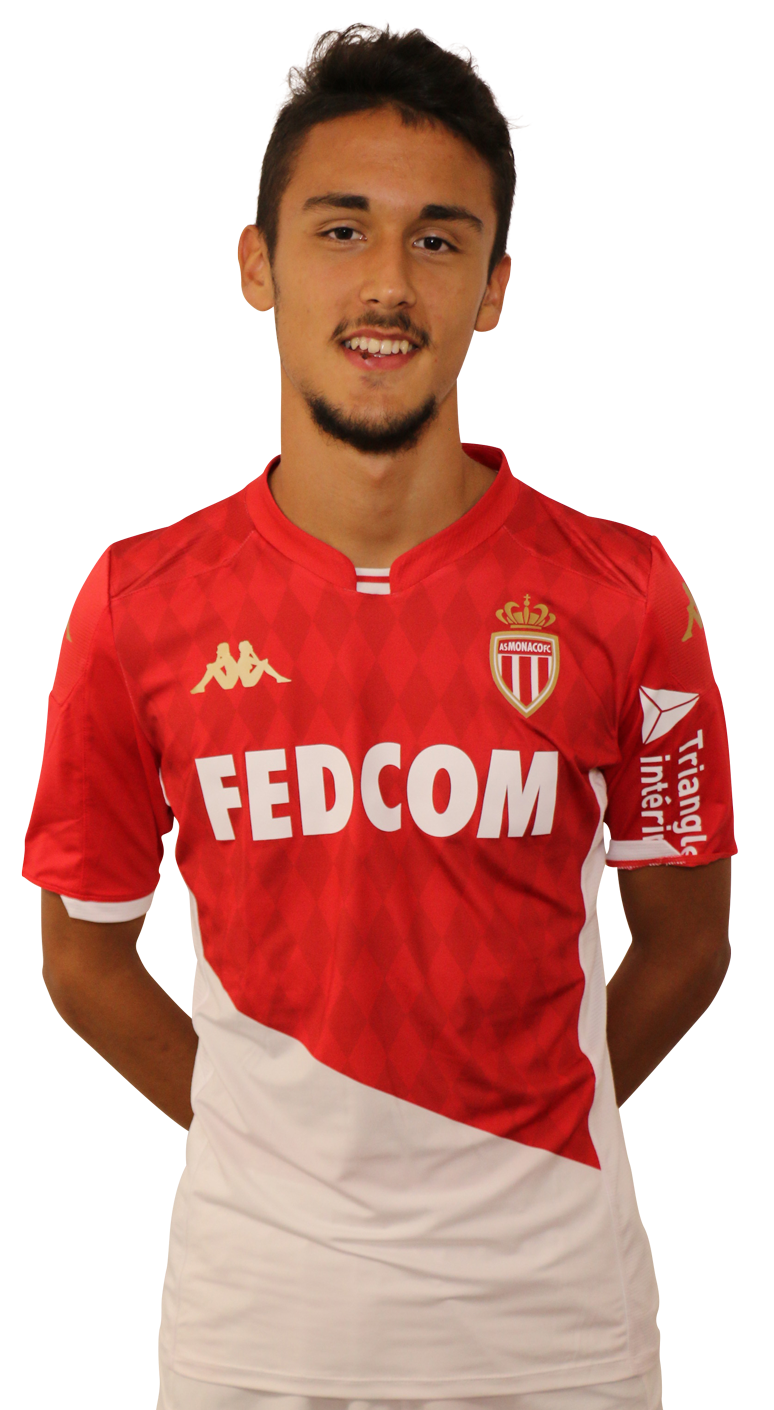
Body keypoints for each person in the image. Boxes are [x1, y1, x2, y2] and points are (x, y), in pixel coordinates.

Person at [23, 23, 735, 1410]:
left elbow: (687, 940)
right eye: (341, 229)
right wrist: (273, 1136)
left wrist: (526, 1131)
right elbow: (81, 955)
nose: (388, 283)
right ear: (258, 265)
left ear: (493, 288)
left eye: (438, 240)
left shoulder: (625, 594)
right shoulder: (136, 604)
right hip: (252, 1326)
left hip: (555, 1326)